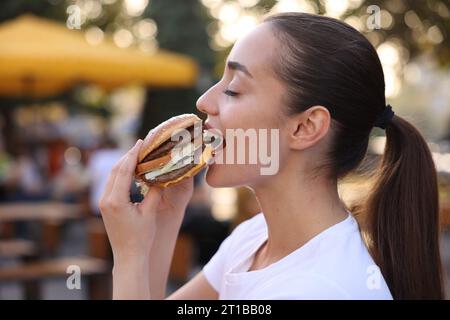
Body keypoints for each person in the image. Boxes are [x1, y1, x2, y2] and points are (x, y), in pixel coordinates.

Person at [99, 13, 443, 299]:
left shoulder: (322, 289)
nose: (204, 102)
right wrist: (165, 219)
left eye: (233, 89)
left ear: (305, 127)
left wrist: (128, 258)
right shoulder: (254, 240)